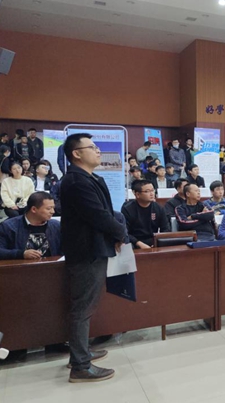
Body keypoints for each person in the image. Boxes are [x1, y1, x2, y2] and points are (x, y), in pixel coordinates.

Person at [61, 133, 127, 382]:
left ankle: (80, 353)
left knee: (85, 306)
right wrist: (121, 233)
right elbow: (98, 216)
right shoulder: (76, 181)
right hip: (86, 252)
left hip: (94, 248)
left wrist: (115, 234)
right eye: (92, 147)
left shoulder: (89, 178)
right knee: (83, 308)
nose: (98, 151)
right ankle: (80, 366)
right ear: (76, 153)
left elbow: (105, 212)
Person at [0, 192, 61, 260]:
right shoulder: (9, 227)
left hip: (52, 265)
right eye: (48, 208)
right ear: (33, 209)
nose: (53, 212)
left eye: (53, 208)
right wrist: (21, 254)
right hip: (21, 265)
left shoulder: (56, 226)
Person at [121, 180, 170, 249]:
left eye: (152, 190)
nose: (152, 194)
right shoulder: (127, 209)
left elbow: (165, 229)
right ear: (137, 194)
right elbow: (125, 232)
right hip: (134, 241)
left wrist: (157, 242)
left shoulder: (158, 208)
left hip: (153, 240)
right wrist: (138, 243)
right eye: (147, 191)